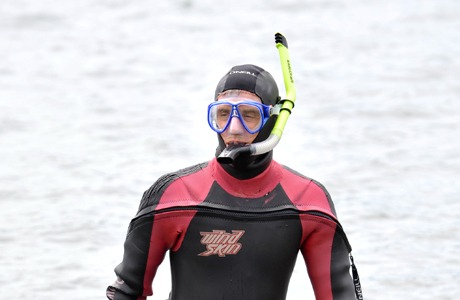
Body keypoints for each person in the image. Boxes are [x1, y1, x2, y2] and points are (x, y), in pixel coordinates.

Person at [106, 64, 361, 300]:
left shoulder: (307, 201)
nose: (234, 128)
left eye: (249, 115)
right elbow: (126, 292)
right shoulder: (174, 195)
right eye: (223, 113)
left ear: (273, 121)